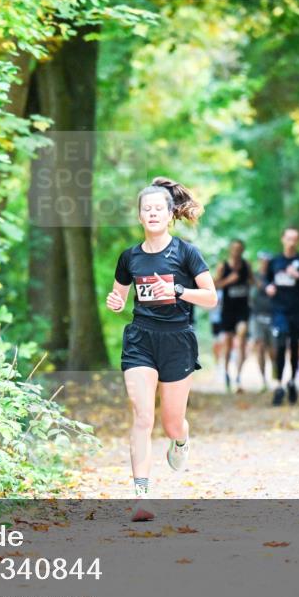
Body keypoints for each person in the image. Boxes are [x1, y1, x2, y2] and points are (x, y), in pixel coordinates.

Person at [106, 177, 217, 522]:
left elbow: (211, 298)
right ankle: (142, 497)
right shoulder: (129, 257)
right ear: (140, 216)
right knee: (142, 416)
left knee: (171, 424)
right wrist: (114, 302)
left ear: (170, 215)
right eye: (147, 209)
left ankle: (181, 440)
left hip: (177, 340)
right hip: (141, 340)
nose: (152, 214)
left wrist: (178, 291)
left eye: (158, 209)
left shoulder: (186, 253)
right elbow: (119, 297)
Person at [264, 227, 299, 406]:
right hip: (279, 310)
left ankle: (292, 381)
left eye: (295, 239)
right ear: (283, 239)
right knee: (280, 343)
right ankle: (279, 385)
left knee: (294, 346)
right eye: (288, 238)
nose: (291, 242)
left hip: (298, 311)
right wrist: (268, 287)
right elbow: (266, 279)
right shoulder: (275, 261)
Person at [214, 239, 253, 393]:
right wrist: (228, 280)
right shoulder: (223, 266)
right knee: (228, 345)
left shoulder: (246, 265)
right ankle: (226, 374)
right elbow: (214, 285)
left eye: (239, 249)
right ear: (230, 250)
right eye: (234, 248)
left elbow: (253, 281)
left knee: (242, 336)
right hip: (228, 310)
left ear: (242, 250)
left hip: (243, 309)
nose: (237, 251)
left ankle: (238, 376)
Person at [249, 252, 275, 391]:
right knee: (260, 347)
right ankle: (263, 380)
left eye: (267, 261)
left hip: (273, 317)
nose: (264, 263)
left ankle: (276, 375)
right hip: (257, 316)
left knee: (273, 349)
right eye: (262, 260)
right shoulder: (253, 277)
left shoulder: (275, 276)